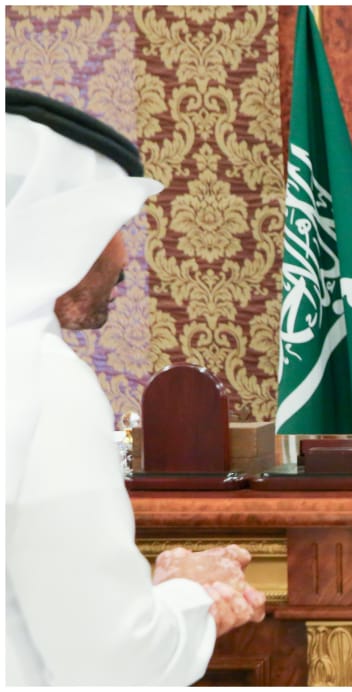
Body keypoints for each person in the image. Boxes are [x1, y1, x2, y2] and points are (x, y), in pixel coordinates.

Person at [5, 87, 266, 686]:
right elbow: (113, 658)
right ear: (63, 226)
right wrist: (193, 599)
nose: (125, 257)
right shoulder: (40, 380)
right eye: (115, 226)